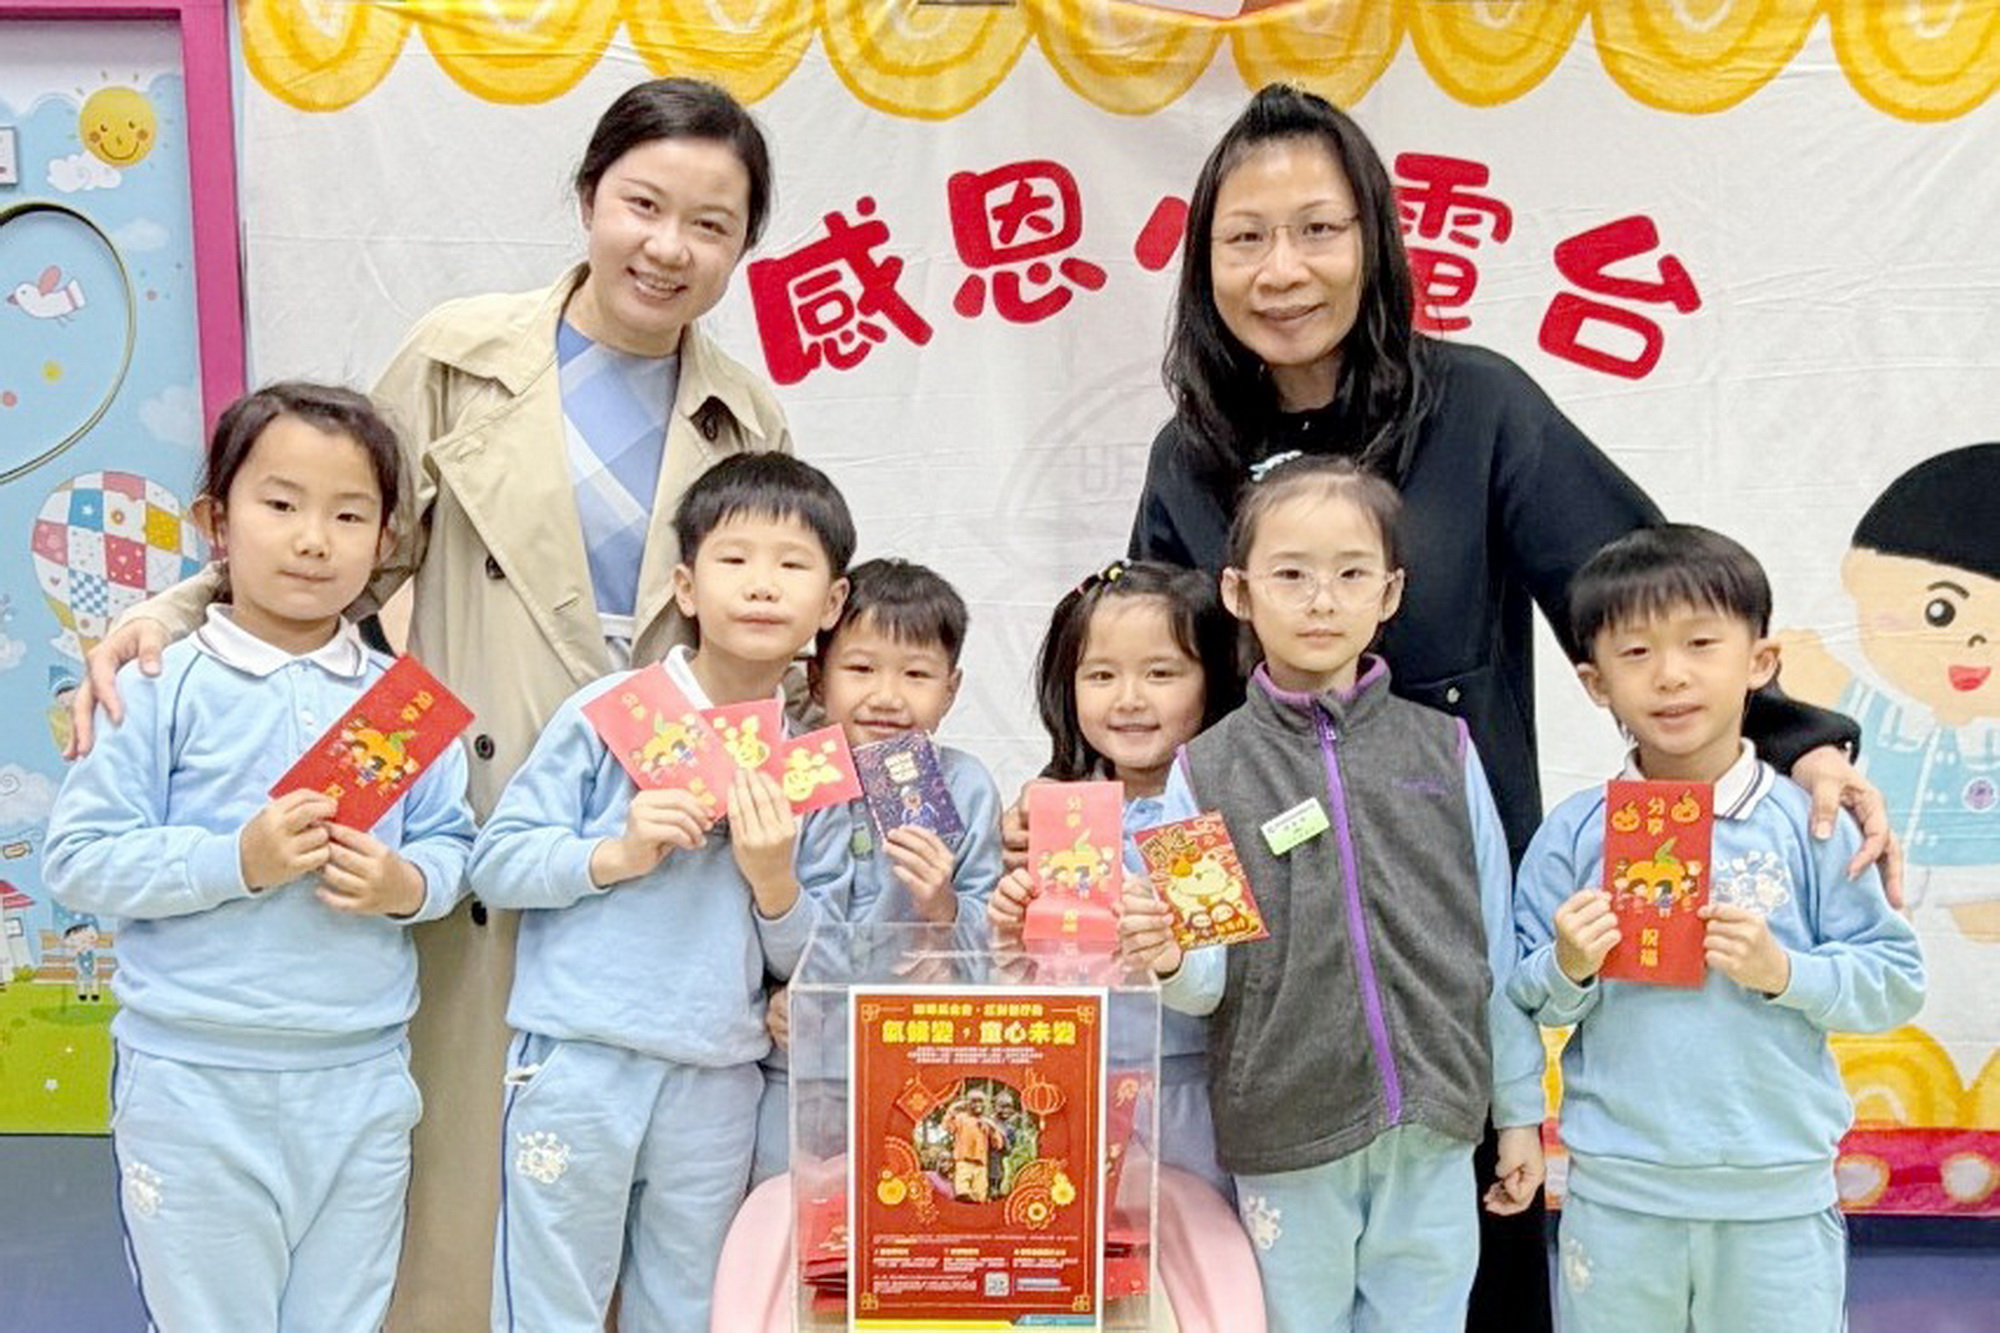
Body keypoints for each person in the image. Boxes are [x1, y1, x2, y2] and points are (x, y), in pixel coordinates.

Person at [1123, 82, 1895, 1328]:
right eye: (1244, 237)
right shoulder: (1190, 450)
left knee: (1468, 1272)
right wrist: (1073, 822)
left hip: (1455, 946)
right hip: (1271, 971)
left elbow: (1639, 593)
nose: (1280, 270)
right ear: (1202, 261)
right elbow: (1149, 667)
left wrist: (1796, 742)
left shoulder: (1475, 405)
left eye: (1317, 229)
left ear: (1374, 239)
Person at [69, 78, 790, 1327]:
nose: (667, 246)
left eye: (710, 224)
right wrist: (182, 609)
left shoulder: (745, 412)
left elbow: (757, 618)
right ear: (588, 197)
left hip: (645, 833)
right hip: (470, 800)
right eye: (642, 204)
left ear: (743, 246)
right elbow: (342, 528)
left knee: (642, 1177)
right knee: (456, 1153)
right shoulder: (459, 358)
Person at [43, 383, 477, 1332]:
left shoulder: (400, 704)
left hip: (360, 1080)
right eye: (280, 504)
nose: (313, 539)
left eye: (349, 515)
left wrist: (405, 884)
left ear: (386, 539)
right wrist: (234, 859)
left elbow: (452, 845)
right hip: (194, 1081)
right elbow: (77, 858)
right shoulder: (156, 684)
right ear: (216, 522)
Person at [1120, 457, 1546, 1333]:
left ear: (1390, 592)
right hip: (1285, 1134)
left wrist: (1518, 1113)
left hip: (1435, 1124)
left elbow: (1495, 947)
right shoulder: (1201, 770)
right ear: (1238, 591)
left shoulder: (1446, 749)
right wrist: (1167, 957)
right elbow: (1203, 982)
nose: (1322, 600)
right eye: (1291, 574)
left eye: (1351, 574)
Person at [1510, 524, 1923, 1332]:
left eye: (1701, 643)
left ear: (1760, 662)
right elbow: (1525, 1000)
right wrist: (1569, 964)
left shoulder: (1811, 823)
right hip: (1619, 1197)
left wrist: (1785, 971)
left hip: (1778, 1199)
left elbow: (1896, 982)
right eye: (1636, 653)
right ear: (1595, 682)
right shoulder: (1575, 834)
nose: (1670, 674)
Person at [471, 453, 849, 1330]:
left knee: (689, 1308)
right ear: (686, 586)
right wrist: (617, 851)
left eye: (793, 565)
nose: (762, 585)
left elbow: (813, 964)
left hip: (718, 1077)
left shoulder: (813, 764)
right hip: (580, 1058)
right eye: (734, 558)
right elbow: (497, 863)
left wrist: (774, 881)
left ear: (831, 603)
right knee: (549, 1304)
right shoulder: (611, 713)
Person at [990, 559, 1240, 1197]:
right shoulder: (1053, 811)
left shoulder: (1208, 808)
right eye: (1101, 675)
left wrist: (1164, 948)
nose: (1129, 699)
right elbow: (1030, 986)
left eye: (1161, 673)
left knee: (1198, 1244)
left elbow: (1211, 984)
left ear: (1212, 678)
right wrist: (1014, 928)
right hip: (1074, 1080)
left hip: (1193, 1087)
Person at [753, 558, 1004, 1182]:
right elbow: (746, 928)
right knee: (786, 1216)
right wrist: (772, 996)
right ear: (817, 679)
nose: (887, 697)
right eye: (861, 669)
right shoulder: (790, 778)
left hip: (923, 1064)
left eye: (916, 674)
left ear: (950, 690)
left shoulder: (966, 786)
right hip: (797, 1067)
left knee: (907, 1213)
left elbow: (996, 946)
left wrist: (944, 907)